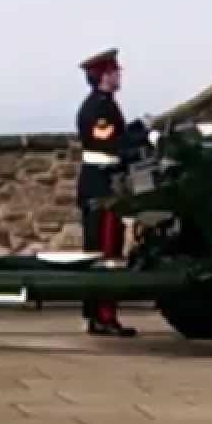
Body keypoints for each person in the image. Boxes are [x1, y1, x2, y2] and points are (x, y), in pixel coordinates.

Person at [75, 47, 148, 337]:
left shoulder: (105, 105)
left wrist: (141, 128)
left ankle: (97, 315)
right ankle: (103, 315)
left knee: (100, 251)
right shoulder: (98, 108)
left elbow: (117, 136)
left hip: (101, 184)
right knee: (105, 253)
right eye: (115, 71)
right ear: (104, 75)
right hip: (102, 186)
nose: (120, 75)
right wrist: (141, 142)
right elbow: (109, 145)